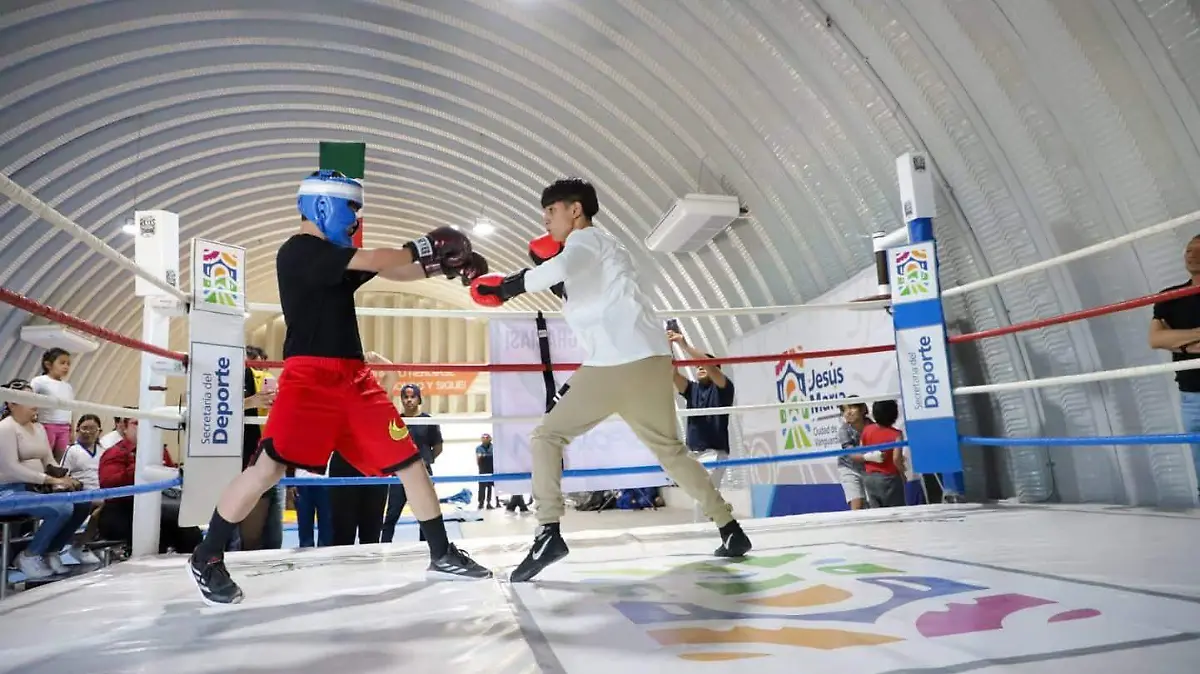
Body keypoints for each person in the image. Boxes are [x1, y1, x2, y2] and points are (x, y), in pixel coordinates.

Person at [187, 169, 493, 606]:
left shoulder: (334, 259)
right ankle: (208, 555)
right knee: (269, 468)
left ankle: (441, 552)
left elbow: (393, 272)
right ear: (323, 205)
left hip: (355, 381)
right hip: (310, 380)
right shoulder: (299, 251)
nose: (356, 216)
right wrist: (423, 246)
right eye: (352, 206)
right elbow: (377, 259)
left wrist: (439, 267)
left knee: (409, 460)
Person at [470, 178, 752, 582]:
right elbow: (587, 307)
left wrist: (508, 287)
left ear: (575, 210)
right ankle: (730, 529)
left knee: (547, 437)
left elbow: (563, 266)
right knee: (671, 451)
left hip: (620, 364)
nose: (546, 220)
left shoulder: (586, 242)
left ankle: (548, 530)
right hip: (646, 359)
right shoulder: (600, 263)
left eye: (551, 211)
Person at [0, 379, 91, 579]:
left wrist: (64, 477)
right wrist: (49, 481)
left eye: (35, 397)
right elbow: (11, 468)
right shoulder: (5, 428)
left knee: (83, 502)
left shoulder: (39, 428)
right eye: (28, 399)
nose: (35, 402)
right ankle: (29, 555)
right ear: (11, 403)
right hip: (8, 492)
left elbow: (49, 461)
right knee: (61, 509)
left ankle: (51, 551)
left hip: (34, 489)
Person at [1149, 233, 1200, 496]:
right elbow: (1156, 338)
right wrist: (1194, 337)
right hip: (1192, 394)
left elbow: (1167, 338)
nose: (1190, 254)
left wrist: (1179, 340)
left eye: (1198, 249)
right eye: (1188, 249)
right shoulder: (1170, 296)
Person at [381, 382, 443, 543]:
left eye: (412, 397)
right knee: (391, 515)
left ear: (419, 399)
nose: (409, 400)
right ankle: (382, 547)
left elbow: (437, 446)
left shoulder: (428, 421)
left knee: (426, 514)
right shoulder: (395, 421)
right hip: (399, 474)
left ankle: (427, 548)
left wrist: (426, 461)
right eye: (405, 397)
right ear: (401, 400)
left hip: (423, 473)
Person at [859, 400, 907, 508]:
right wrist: (902, 473)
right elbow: (896, 459)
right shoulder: (896, 434)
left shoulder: (866, 430)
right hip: (889, 479)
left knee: (877, 513)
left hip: (870, 478)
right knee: (896, 511)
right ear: (895, 414)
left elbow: (862, 452)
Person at [30, 347, 75, 462]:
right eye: (62, 363)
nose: (66, 367)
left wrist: (72, 430)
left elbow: (71, 409)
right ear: (48, 365)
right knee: (44, 459)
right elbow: (29, 401)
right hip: (46, 424)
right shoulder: (39, 381)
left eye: (68, 364)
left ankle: (55, 479)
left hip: (65, 427)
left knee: (58, 460)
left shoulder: (68, 386)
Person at [837, 399, 871, 510]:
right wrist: (870, 457)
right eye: (844, 410)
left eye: (851, 407)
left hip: (869, 468)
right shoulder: (844, 430)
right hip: (848, 468)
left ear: (862, 409)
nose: (848, 412)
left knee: (872, 504)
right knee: (857, 503)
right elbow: (852, 455)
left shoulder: (872, 426)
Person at [476, 433, 497, 509]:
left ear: (490, 439)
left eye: (487, 437)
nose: (485, 439)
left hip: (491, 469)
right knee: (482, 487)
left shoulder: (493, 447)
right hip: (483, 469)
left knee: (489, 487)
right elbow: (478, 459)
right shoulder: (479, 448)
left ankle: (489, 503)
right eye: (483, 437)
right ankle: (481, 503)